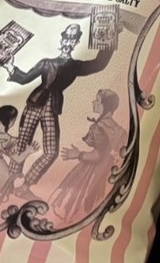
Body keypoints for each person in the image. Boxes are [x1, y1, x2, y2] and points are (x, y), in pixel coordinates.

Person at [7, 23, 117, 193]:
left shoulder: (75, 66)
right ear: (61, 39)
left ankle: (26, 185)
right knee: (22, 143)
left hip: (52, 108)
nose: (68, 42)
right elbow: (24, 78)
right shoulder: (46, 62)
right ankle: (9, 182)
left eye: (72, 39)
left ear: (76, 43)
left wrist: (109, 35)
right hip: (34, 104)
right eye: (66, 37)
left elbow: (99, 64)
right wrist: (9, 66)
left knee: (51, 152)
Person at [49, 89, 129, 223]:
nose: (94, 103)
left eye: (97, 101)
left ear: (105, 106)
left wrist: (78, 154)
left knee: (80, 201)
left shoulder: (98, 127)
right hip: (110, 170)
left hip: (93, 171)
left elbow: (98, 155)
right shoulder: (120, 130)